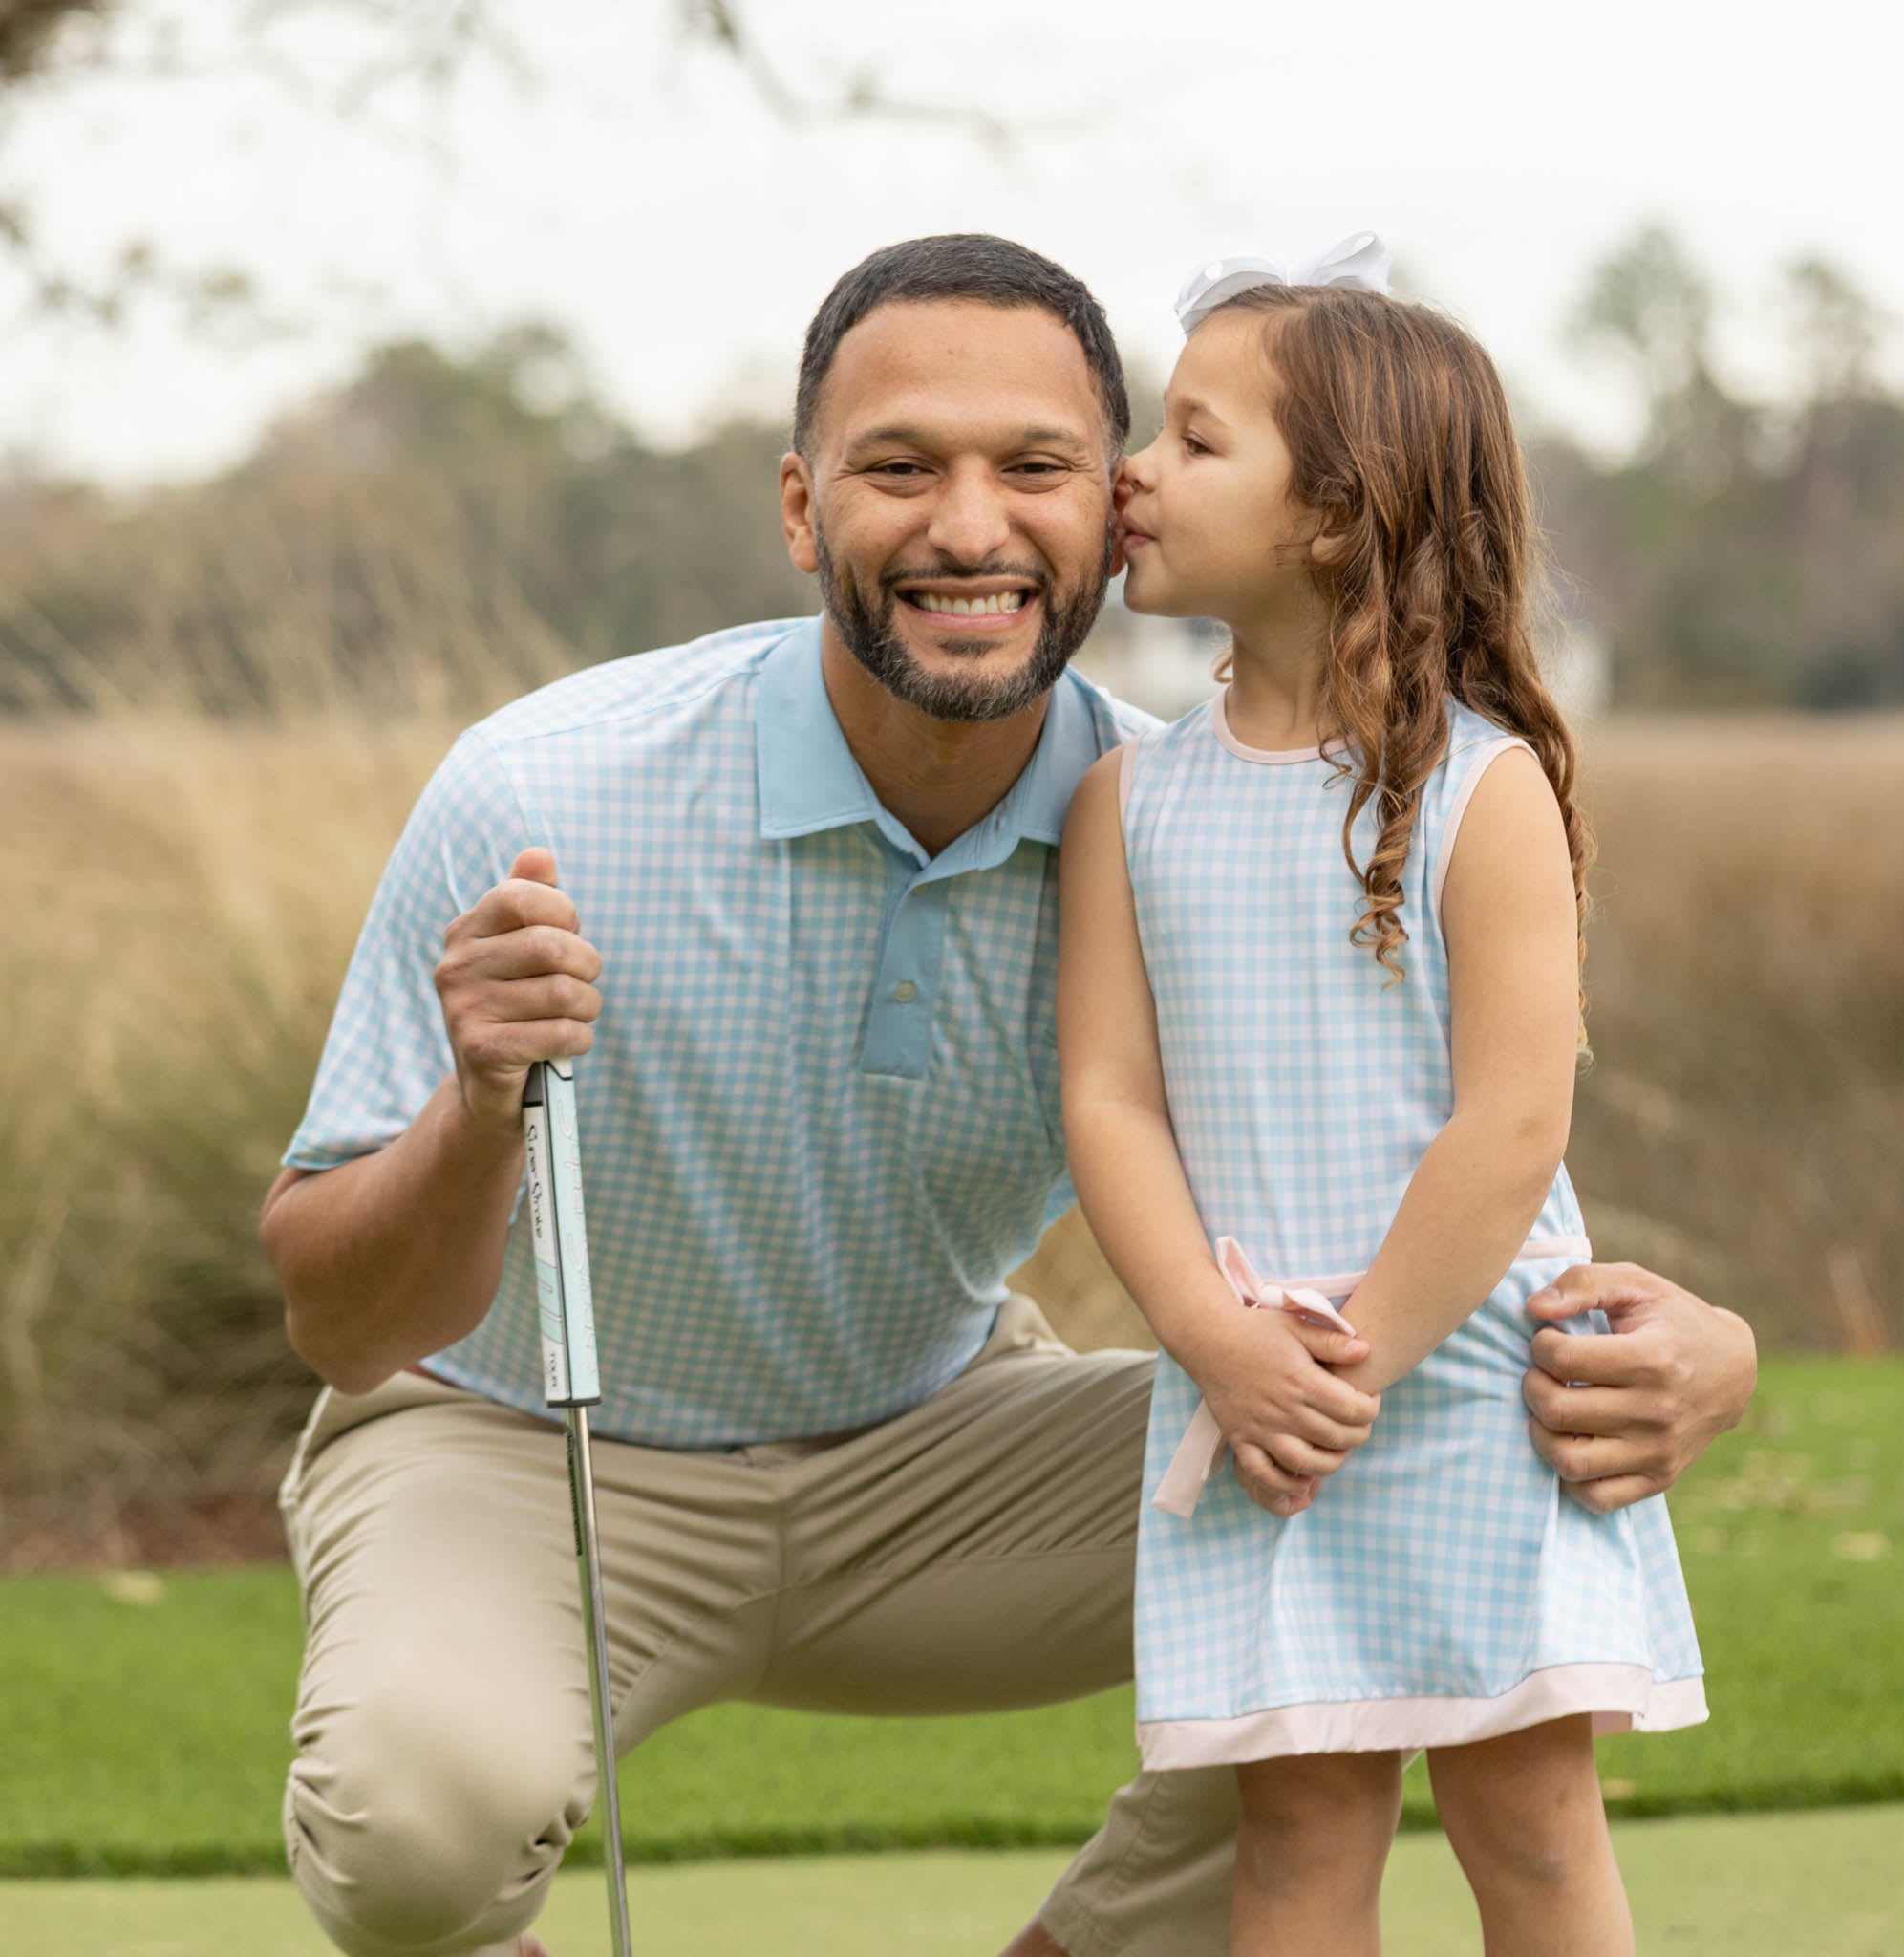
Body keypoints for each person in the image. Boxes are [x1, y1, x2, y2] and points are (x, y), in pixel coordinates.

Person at [259, 233, 1753, 1957]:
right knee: (411, 1834)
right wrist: (479, 1101)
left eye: (1036, 466)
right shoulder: (543, 792)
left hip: (944, 1449)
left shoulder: (1163, 799)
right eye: (903, 468)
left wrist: (1714, 1350)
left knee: (1348, 1594)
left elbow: (1436, 1125)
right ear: (805, 509)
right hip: (536, 1445)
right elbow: (333, 1310)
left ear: (1100, 509)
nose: (972, 526)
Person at [1058, 243, 1704, 1957]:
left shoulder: (1482, 793)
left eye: (1195, 441)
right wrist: (1220, 1342)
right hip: (1249, 1387)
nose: (1135, 470)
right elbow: (1109, 1102)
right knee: (1298, 1828)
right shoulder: (1130, 804)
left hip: (1474, 1383)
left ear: (1337, 515)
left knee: (1534, 1823)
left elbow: (1511, 1129)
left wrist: (1345, 1366)